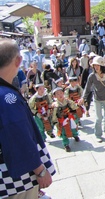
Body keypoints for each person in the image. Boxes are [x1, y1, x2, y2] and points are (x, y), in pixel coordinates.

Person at [0, 39, 55, 199]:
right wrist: (40, 170)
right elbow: (18, 138)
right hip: (14, 175)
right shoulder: (8, 98)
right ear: (18, 61)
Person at [80, 56, 105, 143]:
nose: (96, 67)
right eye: (94, 65)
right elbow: (87, 88)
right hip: (97, 99)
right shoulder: (91, 76)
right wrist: (83, 98)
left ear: (101, 66)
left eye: (97, 65)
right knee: (98, 118)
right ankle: (98, 134)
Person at [51, 82, 80, 152]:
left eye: (61, 93)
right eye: (57, 94)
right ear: (54, 96)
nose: (60, 95)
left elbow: (73, 106)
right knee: (63, 132)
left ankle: (75, 135)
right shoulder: (55, 105)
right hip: (61, 120)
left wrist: (77, 105)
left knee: (73, 128)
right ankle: (66, 144)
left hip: (69, 117)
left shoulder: (67, 101)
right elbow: (54, 115)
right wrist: (56, 123)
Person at [28, 75, 55, 142]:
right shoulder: (33, 98)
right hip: (38, 114)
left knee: (50, 122)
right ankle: (42, 137)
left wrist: (49, 109)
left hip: (47, 111)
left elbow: (50, 102)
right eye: (40, 89)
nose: (42, 90)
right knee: (40, 127)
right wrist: (36, 113)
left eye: (43, 88)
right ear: (36, 89)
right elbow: (31, 107)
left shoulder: (46, 95)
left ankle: (50, 132)